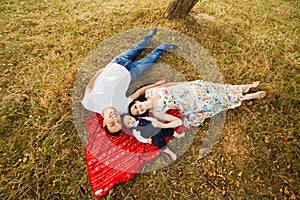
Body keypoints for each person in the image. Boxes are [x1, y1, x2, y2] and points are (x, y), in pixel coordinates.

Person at [82, 28, 178, 134]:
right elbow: (138, 93)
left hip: (116, 63)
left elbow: (89, 87)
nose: (115, 119)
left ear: (104, 123)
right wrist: (155, 85)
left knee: (136, 48)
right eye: (118, 121)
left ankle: (149, 37)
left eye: (112, 123)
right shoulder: (122, 109)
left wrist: (99, 72)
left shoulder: (90, 104)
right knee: (150, 59)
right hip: (131, 73)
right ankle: (164, 46)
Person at [128, 80, 266, 128]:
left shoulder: (150, 92)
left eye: (136, 107)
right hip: (195, 102)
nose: (139, 109)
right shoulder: (157, 112)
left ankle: (244, 87)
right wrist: (162, 125)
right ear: (143, 113)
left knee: (219, 89)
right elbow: (177, 122)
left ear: (137, 102)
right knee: (219, 100)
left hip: (191, 88)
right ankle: (248, 97)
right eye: (139, 112)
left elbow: (168, 85)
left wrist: (185, 83)